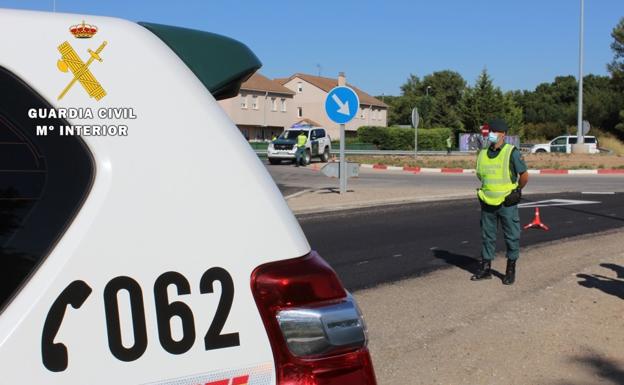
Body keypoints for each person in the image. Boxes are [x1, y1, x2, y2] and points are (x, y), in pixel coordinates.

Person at [471, 118, 528, 285]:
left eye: (493, 132)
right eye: (490, 132)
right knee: (487, 236)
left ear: (502, 134)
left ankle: (510, 270)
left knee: (511, 237)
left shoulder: (512, 152)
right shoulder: (482, 153)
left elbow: (524, 176)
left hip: (506, 203)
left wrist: (517, 190)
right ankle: (486, 268)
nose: (490, 135)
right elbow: (480, 175)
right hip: (487, 202)